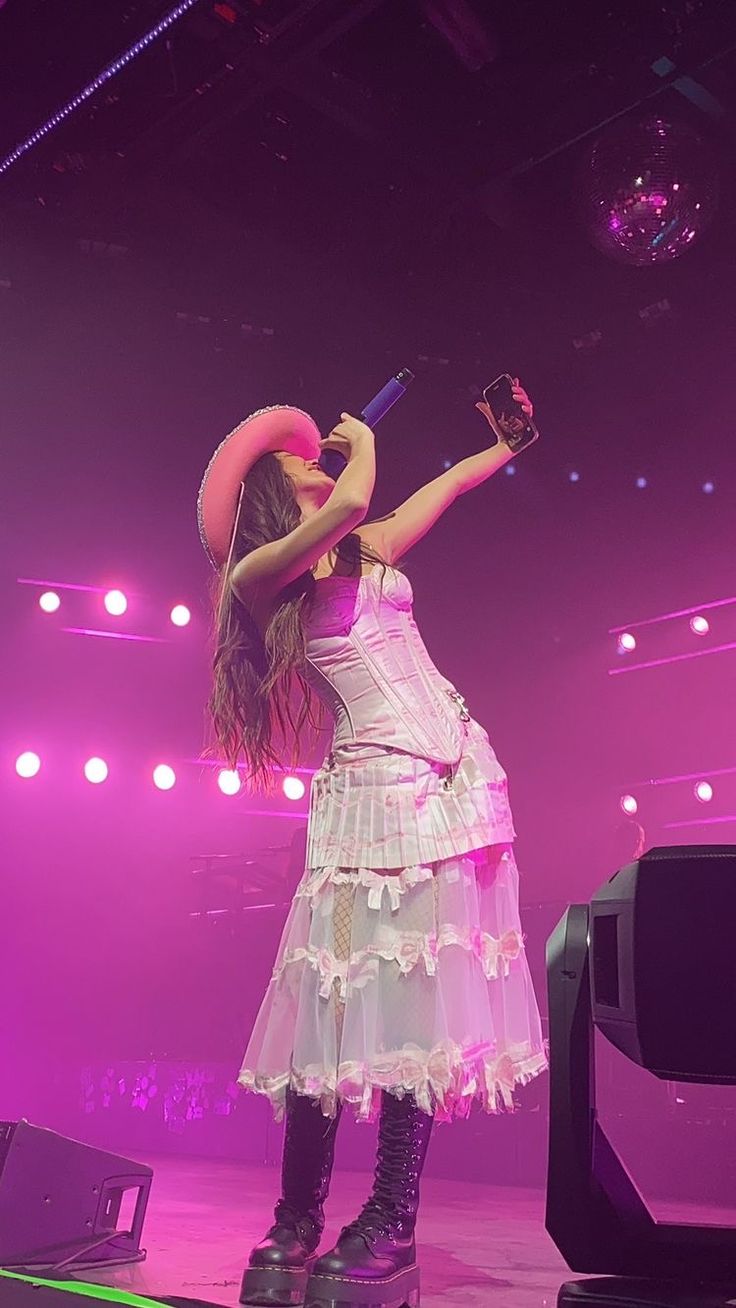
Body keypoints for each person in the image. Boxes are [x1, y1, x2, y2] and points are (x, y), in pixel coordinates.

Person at [197, 383, 548, 1308]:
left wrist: (507, 446)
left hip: (450, 783)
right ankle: (296, 1219)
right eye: (297, 462)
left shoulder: (367, 547)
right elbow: (354, 496)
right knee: (333, 994)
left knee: (420, 1005)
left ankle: (391, 1219)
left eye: (320, 455)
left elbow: (438, 492)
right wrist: (356, 454)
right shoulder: (261, 572)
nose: (317, 463)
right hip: (364, 802)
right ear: (276, 495)